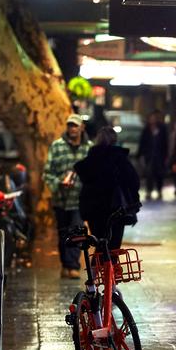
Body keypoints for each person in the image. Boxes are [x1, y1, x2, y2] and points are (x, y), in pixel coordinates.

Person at [75, 126, 140, 250]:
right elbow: (134, 182)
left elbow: (83, 178)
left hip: (94, 211)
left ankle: (96, 269)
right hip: (116, 210)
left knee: (99, 246)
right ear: (114, 140)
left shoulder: (90, 160)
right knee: (113, 248)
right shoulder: (120, 159)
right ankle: (110, 268)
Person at [44, 114, 91, 279]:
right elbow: (47, 173)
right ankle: (65, 264)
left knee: (77, 232)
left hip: (80, 201)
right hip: (61, 200)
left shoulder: (89, 148)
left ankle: (73, 265)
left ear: (82, 128)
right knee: (63, 234)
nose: (72, 128)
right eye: (70, 125)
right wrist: (58, 183)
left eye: (75, 126)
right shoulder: (57, 146)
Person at [137, 110, 169, 201]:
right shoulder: (146, 129)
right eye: (150, 118)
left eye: (153, 118)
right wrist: (140, 154)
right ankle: (149, 190)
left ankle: (159, 190)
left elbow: (165, 143)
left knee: (159, 173)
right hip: (149, 155)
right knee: (149, 173)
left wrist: (166, 155)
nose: (152, 120)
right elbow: (142, 142)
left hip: (159, 155)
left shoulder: (162, 128)